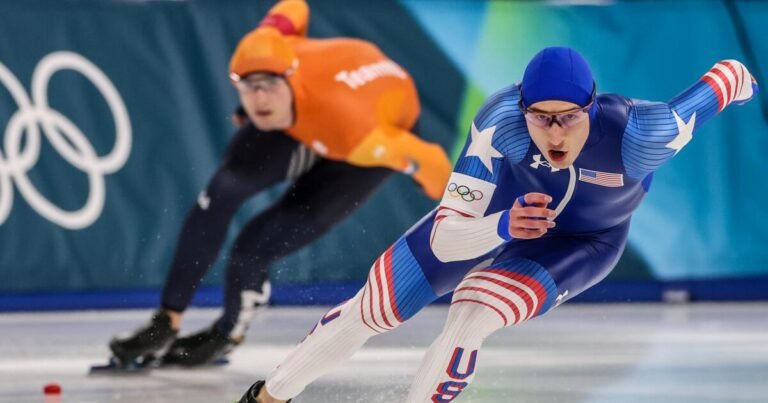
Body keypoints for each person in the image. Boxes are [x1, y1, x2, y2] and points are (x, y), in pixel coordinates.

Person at [236, 47, 759, 402]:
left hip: (583, 242)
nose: (554, 133)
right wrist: (505, 224)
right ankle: (267, 396)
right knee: (374, 308)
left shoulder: (645, 134)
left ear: (592, 107)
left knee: (472, 311)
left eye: (569, 117)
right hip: (499, 214)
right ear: (523, 107)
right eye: (541, 117)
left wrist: (750, 81)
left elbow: (729, 76)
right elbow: (446, 236)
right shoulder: (500, 121)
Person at [107, 0, 451, 368]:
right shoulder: (268, 41)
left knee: (253, 246)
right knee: (221, 193)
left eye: (269, 85)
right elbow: (295, 5)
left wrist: (440, 193)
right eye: (248, 86)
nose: (258, 99)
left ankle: (226, 333)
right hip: (308, 113)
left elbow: (434, 163)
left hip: (363, 133)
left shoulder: (361, 136)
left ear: (289, 78)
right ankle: (167, 320)